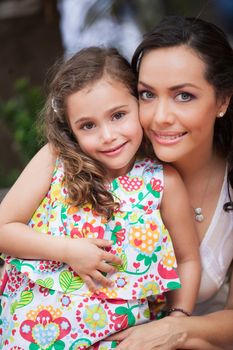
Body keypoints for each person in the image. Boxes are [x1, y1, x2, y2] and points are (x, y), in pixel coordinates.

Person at [0, 47, 200, 349]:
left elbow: (187, 258)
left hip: (118, 337)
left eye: (118, 115)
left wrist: (179, 317)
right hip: (30, 333)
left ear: (138, 106)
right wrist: (68, 250)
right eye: (88, 125)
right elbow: (4, 229)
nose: (107, 135)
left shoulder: (163, 181)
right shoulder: (57, 161)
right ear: (70, 129)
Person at [107, 16, 233, 349]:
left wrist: (177, 330)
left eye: (184, 97)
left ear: (223, 101)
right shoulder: (106, 156)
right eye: (147, 94)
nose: (160, 116)